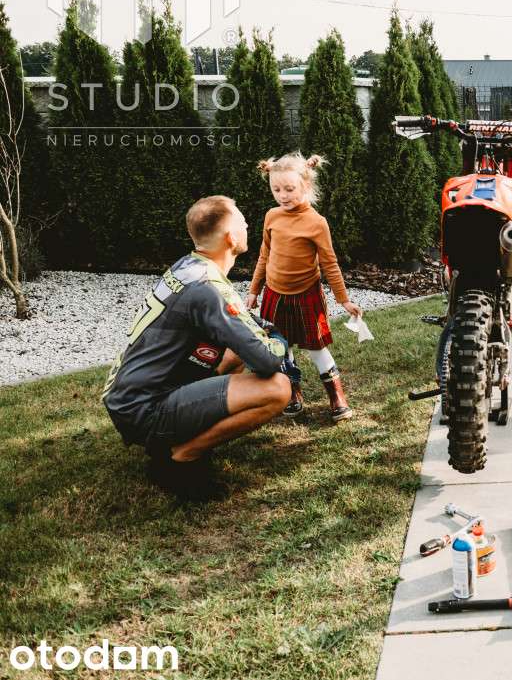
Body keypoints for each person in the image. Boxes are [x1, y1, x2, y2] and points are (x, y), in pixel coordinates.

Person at [102, 196, 293, 500]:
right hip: (144, 409)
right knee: (278, 389)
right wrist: (280, 338)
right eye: (242, 221)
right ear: (231, 238)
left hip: (129, 397)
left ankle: (176, 434)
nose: (247, 225)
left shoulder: (188, 266)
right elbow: (267, 359)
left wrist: (256, 330)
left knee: (235, 352)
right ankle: (181, 456)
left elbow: (233, 329)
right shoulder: (207, 287)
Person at [245, 153, 362, 422]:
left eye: (289, 189)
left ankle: (336, 396)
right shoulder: (272, 216)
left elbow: (330, 264)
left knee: (315, 347)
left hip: (306, 295)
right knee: (281, 347)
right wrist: (254, 290)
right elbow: (264, 255)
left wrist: (344, 300)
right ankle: (292, 392)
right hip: (275, 296)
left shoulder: (316, 223)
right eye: (276, 189)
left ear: (306, 186)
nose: (282, 196)